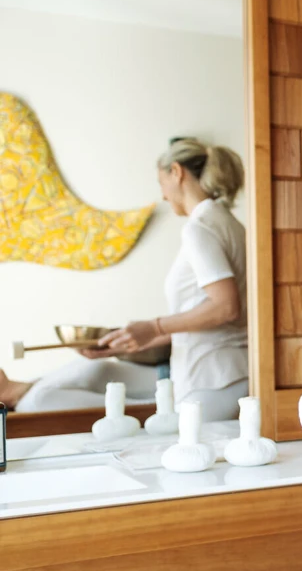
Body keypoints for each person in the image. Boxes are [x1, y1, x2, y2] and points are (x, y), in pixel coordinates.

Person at [0, 138, 249, 422]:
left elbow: (226, 307)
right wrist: (132, 340)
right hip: (228, 372)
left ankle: (21, 393)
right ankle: (21, 390)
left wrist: (154, 326)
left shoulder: (199, 229)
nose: (164, 196)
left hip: (213, 378)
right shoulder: (229, 224)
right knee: (98, 373)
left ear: (177, 172)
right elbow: (216, 318)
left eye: (161, 182)